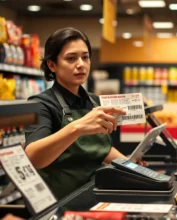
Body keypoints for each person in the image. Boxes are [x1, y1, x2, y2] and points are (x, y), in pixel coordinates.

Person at [24, 27, 134, 200]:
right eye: (71, 58)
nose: (81, 64)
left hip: (95, 197)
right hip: (60, 205)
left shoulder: (94, 102)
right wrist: (78, 127)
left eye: (85, 57)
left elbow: (102, 150)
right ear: (52, 65)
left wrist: (133, 166)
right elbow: (33, 157)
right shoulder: (41, 104)